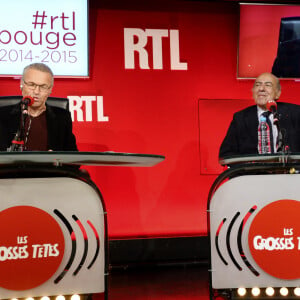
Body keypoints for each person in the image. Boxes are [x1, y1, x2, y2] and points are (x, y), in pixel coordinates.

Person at [219, 72, 300, 159]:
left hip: (290, 171)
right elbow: (226, 153)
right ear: (253, 92)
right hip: (254, 171)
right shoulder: (240, 118)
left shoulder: (296, 113)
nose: (261, 88)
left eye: (268, 85)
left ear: (278, 93)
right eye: (257, 85)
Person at [0, 63, 77, 151]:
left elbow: (73, 159)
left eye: (43, 87)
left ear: (50, 90)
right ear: (22, 85)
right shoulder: (2, 115)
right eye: (31, 85)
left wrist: (56, 158)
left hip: (47, 165)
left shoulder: (62, 117)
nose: (36, 91)